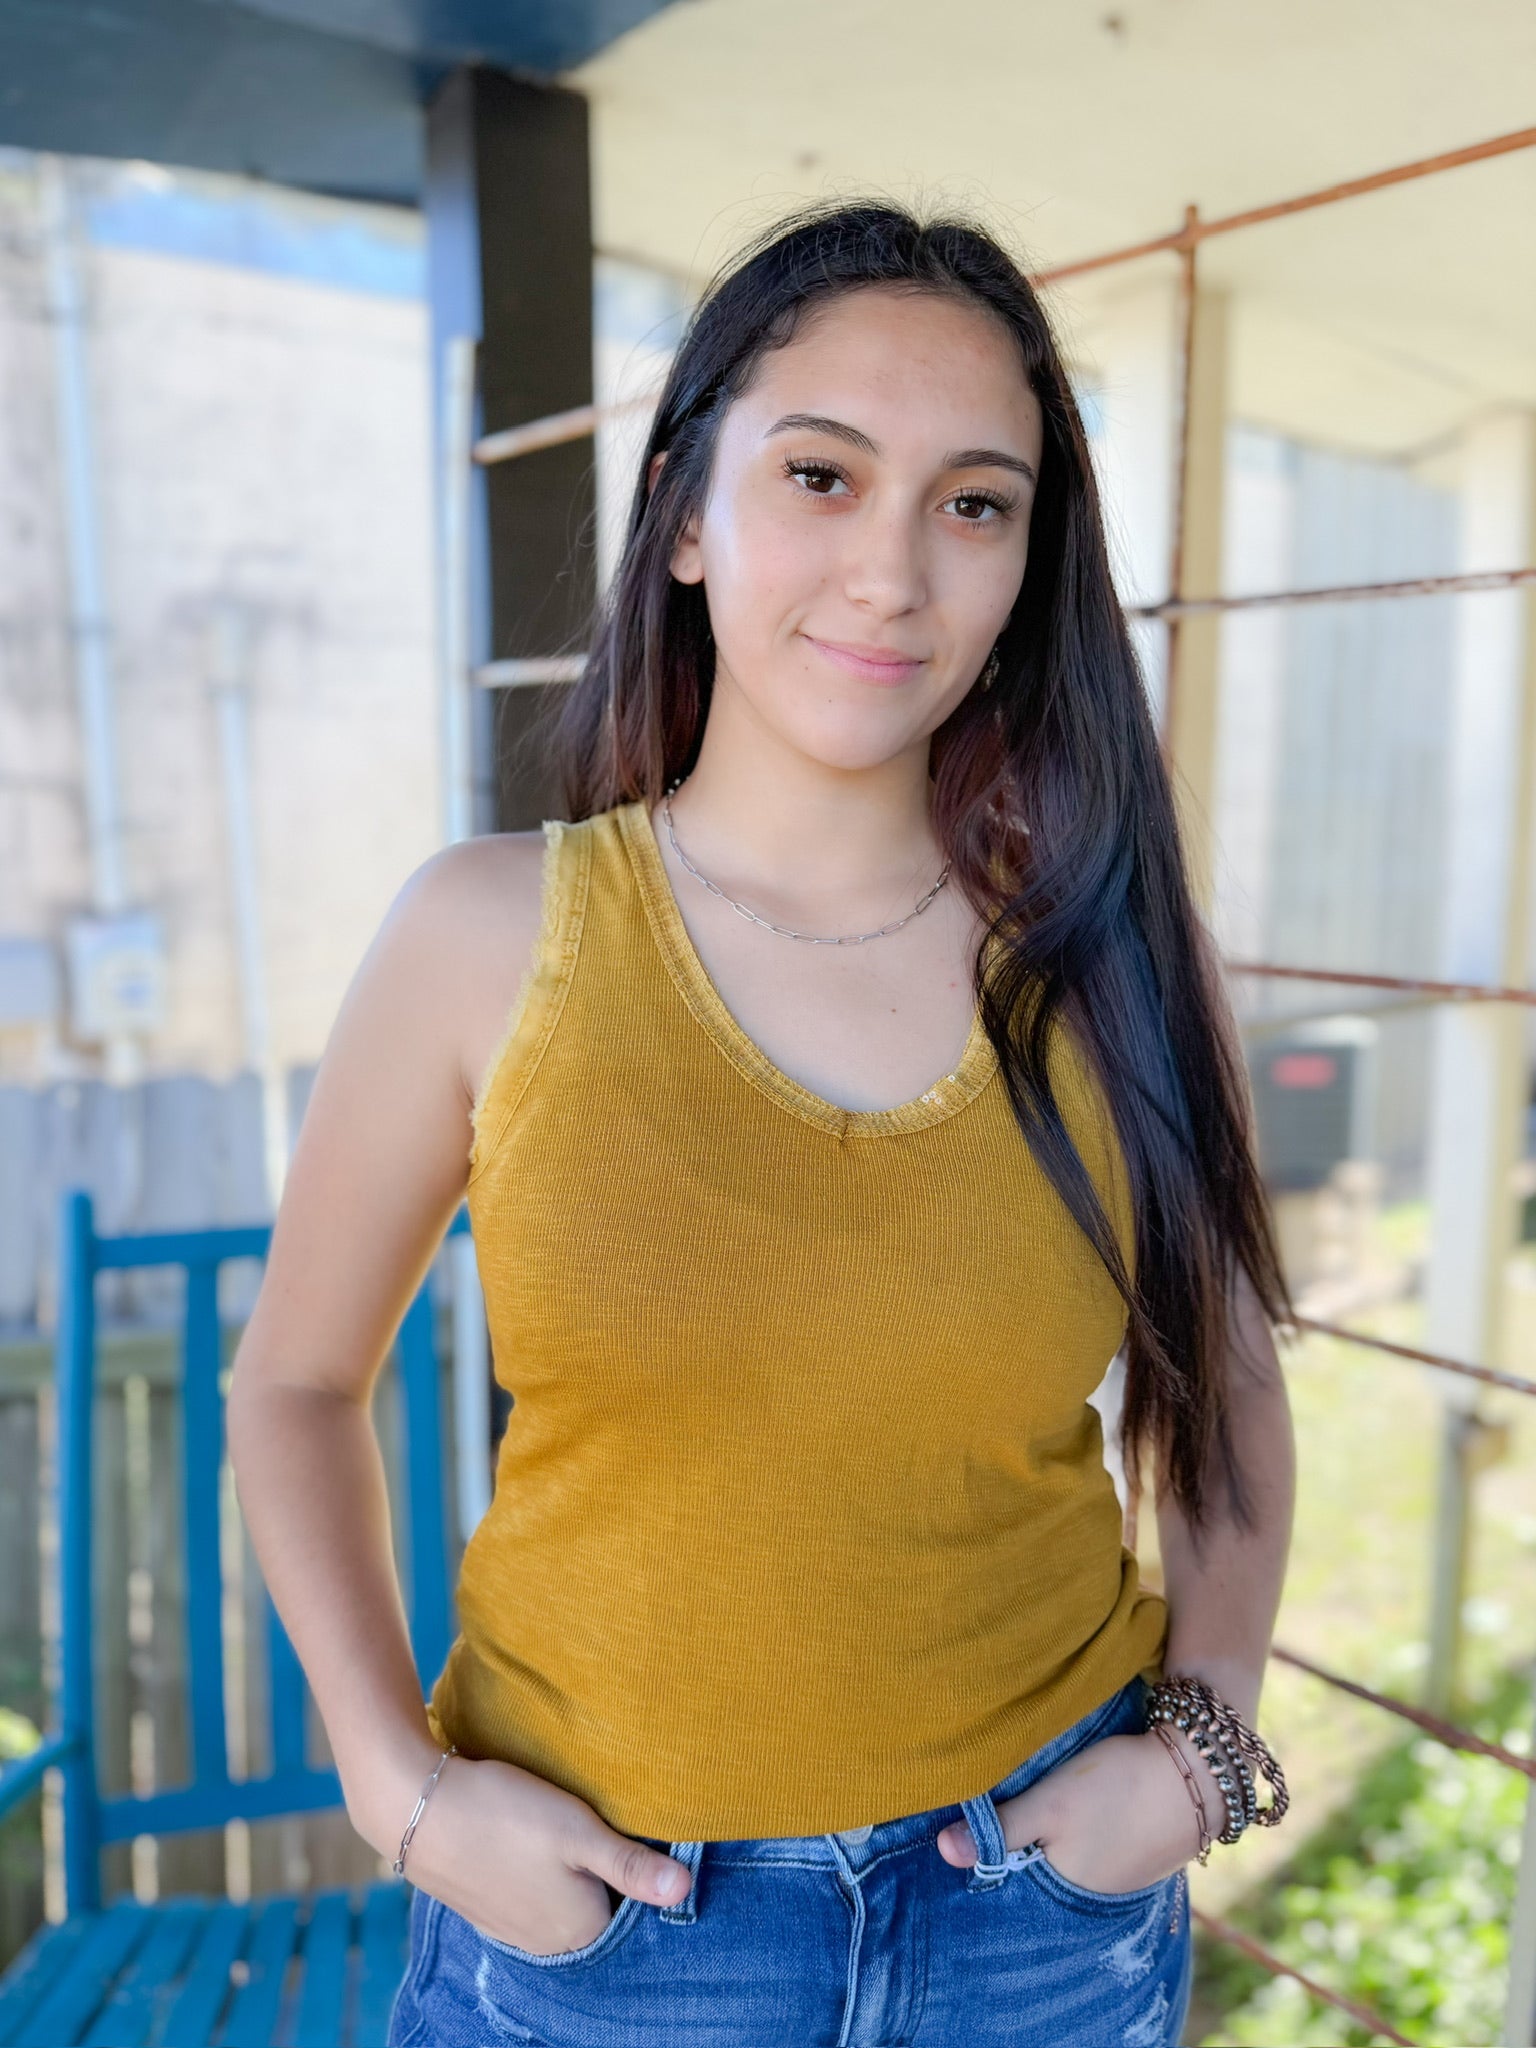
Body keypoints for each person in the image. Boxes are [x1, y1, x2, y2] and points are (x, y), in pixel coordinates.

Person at [227, 199, 1297, 2048]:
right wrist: (395, 1789)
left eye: (975, 503)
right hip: (606, 1939)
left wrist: (1200, 1739)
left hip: (1039, 1920)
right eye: (822, 473)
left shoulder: (1115, 951)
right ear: (688, 512)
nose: (893, 572)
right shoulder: (492, 934)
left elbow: (1226, 1377)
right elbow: (296, 1384)